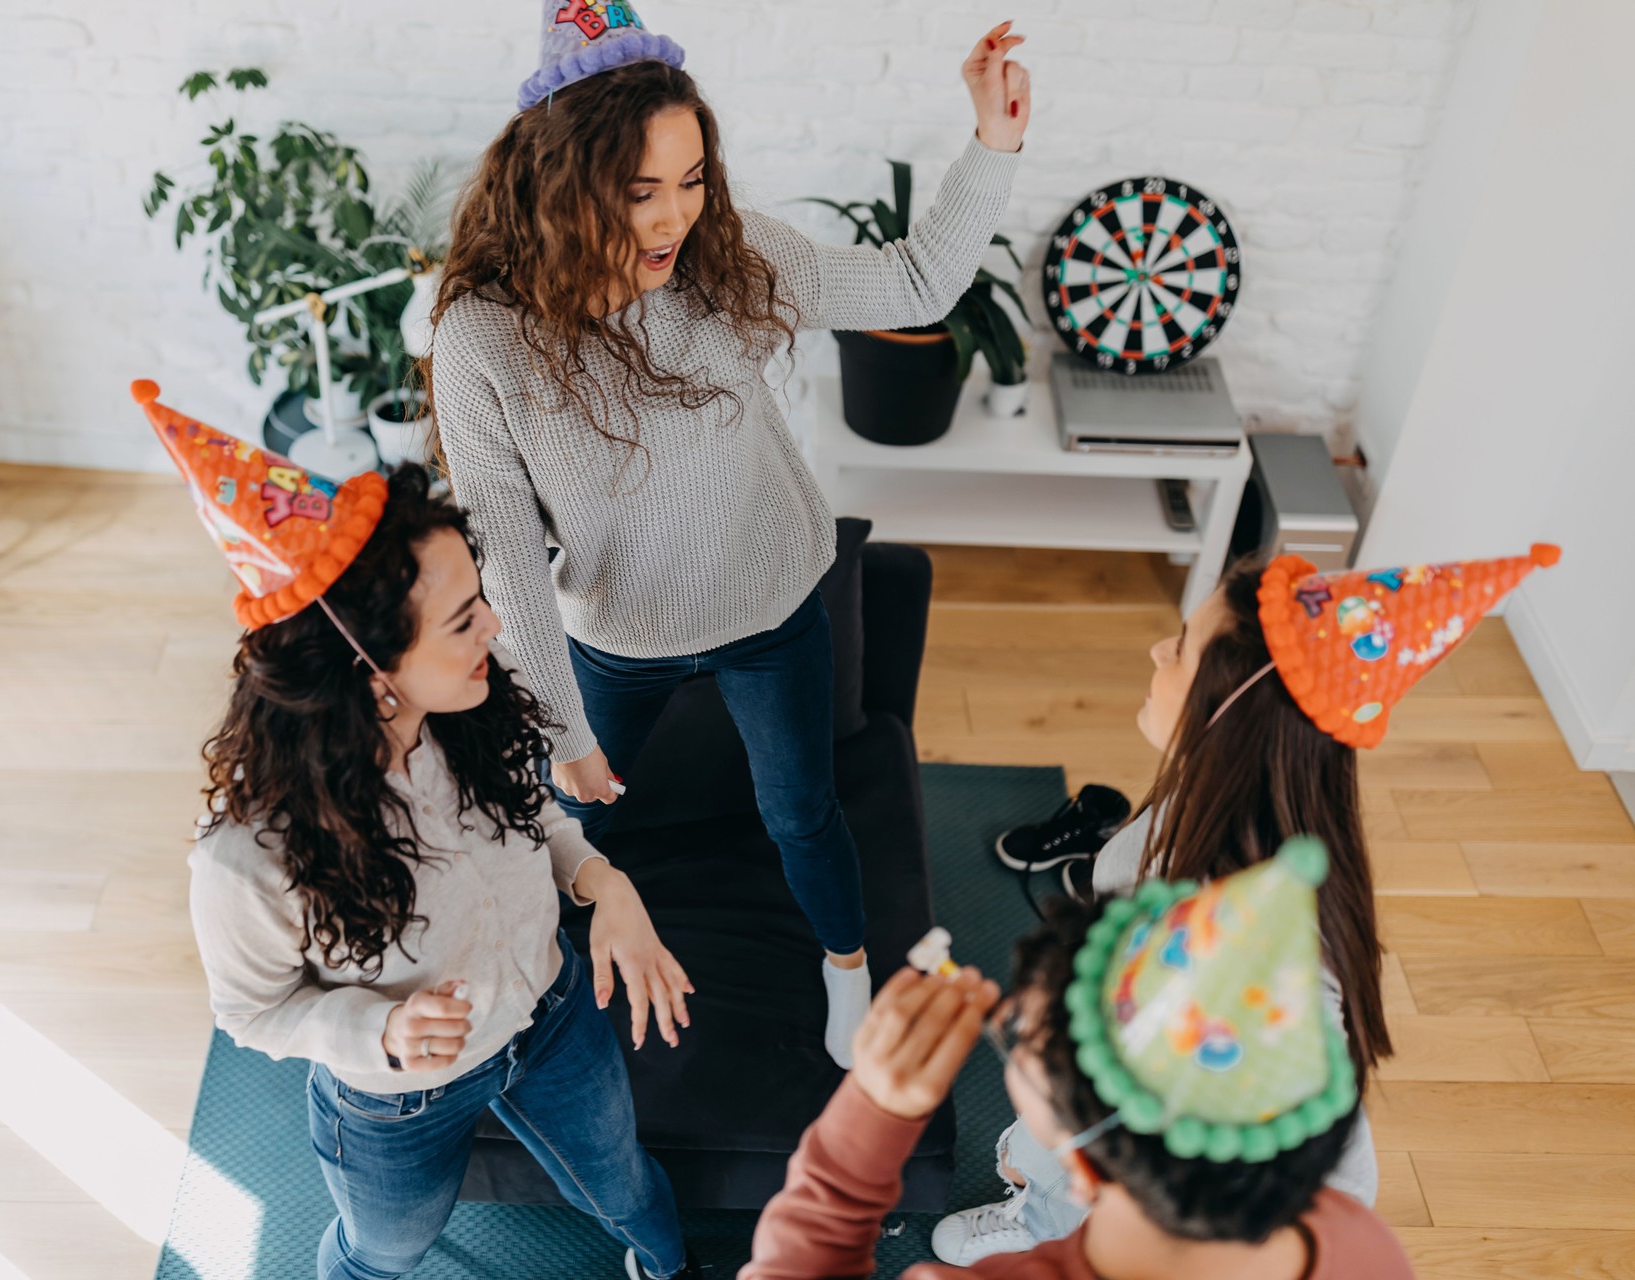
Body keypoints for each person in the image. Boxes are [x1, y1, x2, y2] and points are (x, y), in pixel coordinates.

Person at [430, 0, 1032, 1066]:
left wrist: (994, 140)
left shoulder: (727, 258)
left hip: (772, 607)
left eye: (693, 178)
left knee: (802, 812)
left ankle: (844, 968)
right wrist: (563, 729)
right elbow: (507, 547)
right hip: (614, 634)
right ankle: (531, 982)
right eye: (642, 190)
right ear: (565, 186)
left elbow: (913, 280)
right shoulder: (486, 336)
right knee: (574, 827)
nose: (674, 217)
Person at [130, 382, 698, 1280]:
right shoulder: (247, 861)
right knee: (382, 1254)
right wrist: (383, 1034)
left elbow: (535, 814)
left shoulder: (473, 699)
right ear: (368, 671)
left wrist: (603, 882)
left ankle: (669, 1266)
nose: (497, 629)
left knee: (625, 1188)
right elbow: (251, 1011)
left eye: (483, 603)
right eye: (465, 619)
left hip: (552, 1015)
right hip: (398, 1099)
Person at [931, 543, 1561, 1264]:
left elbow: (1135, 1121)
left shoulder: (1227, 956)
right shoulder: (1233, 814)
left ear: (1230, 711)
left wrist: (1042, 1155)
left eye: (1181, 650)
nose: (1156, 648)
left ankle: (1045, 1218)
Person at [741, 840, 1418, 1279]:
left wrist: (865, 1128)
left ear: (1081, 1168)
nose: (1003, 1021)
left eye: (1023, 1042)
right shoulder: (1359, 1245)